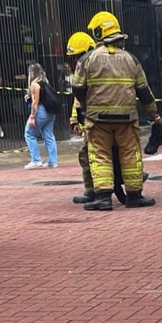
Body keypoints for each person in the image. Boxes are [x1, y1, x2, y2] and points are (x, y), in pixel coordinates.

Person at [71, 11, 162, 211]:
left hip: (98, 120)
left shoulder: (87, 59)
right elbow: (144, 91)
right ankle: (134, 196)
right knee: (130, 155)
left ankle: (103, 198)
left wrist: (86, 107)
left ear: (97, 32)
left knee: (100, 156)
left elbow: (77, 89)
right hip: (127, 119)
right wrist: (153, 115)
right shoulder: (131, 59)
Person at [65, 32, 97, 204]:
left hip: (97, 118)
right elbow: (78, 98)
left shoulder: (90, 65)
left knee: (90, 156)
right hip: (97, 118)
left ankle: (95, 191)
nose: (76, 60)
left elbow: (80, 95)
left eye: (77, 56)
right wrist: (74, 120)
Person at [23, 63, 59, 170]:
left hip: (41, 111)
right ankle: (53, 161)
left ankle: (36, 160)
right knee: (49, 135)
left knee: (29, 134)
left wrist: (32, 117)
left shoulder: (35, 85)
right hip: (50, 112)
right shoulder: (45, 83)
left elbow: (35, 103)